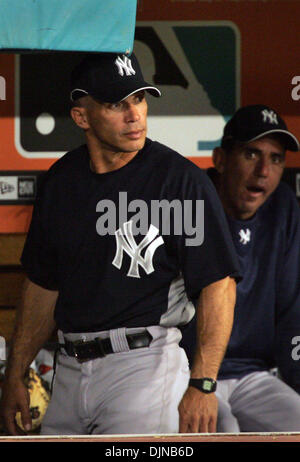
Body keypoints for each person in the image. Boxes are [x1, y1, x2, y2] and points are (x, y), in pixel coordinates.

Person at [0, 52, 240, 436]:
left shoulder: (179, 183)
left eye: (140, 99)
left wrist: (203, 383)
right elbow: (44, 285)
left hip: (143, 365)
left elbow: (219, 284)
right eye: (116, 104)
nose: (135, 115)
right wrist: (16, 372)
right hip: (69, 367)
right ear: (82, 117)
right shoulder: (62, 182)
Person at [181, 104, 300, 432]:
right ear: (220, 159)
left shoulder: (284, 208)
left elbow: (292, 311)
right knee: (226, 430)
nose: (264, 170)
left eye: (276, 159)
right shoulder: (189, 205)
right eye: (251, 154)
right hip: (188, 373)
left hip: (253, 376)